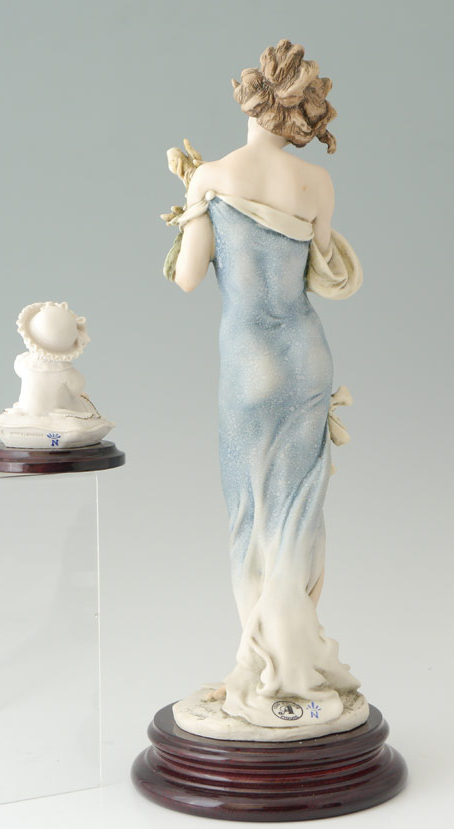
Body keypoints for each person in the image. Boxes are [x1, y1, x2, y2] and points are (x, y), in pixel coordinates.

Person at [165, 40, 366, 738]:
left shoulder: (214, 175)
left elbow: (188, 278)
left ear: (250, 100)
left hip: (249, 362)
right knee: (299, 513)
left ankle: (263, 661)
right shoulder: (317, 183)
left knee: (251, 514)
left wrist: (192, 204)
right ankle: (293, 655)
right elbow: (319, 272)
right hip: (308, 354)